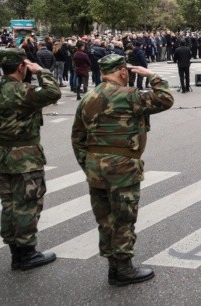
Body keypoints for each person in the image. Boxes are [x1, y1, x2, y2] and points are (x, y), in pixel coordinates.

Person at [72, 54, 173, 286]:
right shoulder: (129, 96)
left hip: (96, 168)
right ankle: (124, 270)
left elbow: (77, 137)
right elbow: (165, 99)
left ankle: (112, 267)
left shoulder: (88, 98)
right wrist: (152, 76)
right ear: (122, 71)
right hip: (123, 168)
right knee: (124, 219)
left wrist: (89, 164)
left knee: (105, 220)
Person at [0, 48, 61, 271]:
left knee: (9, 205)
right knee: (27, 205)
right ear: (22, 66)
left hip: (2, 156)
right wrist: (41, 70)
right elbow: (53, 92)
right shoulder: (25, 91)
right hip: (26, 159)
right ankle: (27, 254)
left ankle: (15, 253)